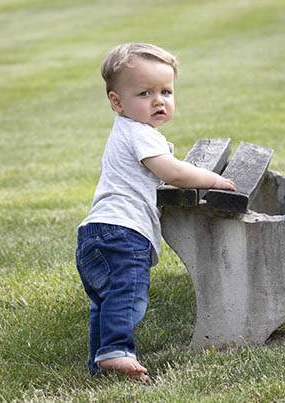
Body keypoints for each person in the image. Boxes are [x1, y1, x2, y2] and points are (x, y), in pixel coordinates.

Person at [76, 43, 236, 382]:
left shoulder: (127, 132)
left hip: (95, 231)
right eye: (145, 92)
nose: (158, 100)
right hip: (123, 232)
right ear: (117, 102)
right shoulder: (140, 134)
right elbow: (173, 173)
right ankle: (117, 351)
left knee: (106, 301)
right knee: (128, 294)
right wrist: (214, 180)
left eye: (166, 91)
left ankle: (102, 361)